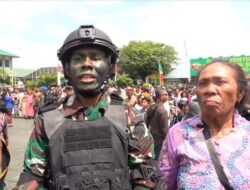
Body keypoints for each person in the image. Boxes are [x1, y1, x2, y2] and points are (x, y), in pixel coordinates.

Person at [16, 25, 160, 190]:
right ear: (67, 69)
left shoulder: (128, 117)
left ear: (110, 67)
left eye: (95, 58)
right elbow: (33, 176)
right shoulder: (48, 121)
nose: (86, 64)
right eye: (78, 59)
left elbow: (145, 175)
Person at [159, 60, 250, 189]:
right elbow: (167, 183)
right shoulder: (178, 133)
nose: (210, 89)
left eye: (221, 82)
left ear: (239, 93)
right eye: (203, 83)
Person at [145, 87, 169, 160]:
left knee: (152, 157)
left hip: (151, 136)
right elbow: (164, 129)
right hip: (159, 139)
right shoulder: (163, 110)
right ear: (161, 97)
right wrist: (168, 140)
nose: (167, 96)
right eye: (166, 94)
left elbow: (146, 122)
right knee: (158, 160)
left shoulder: (151, 107)